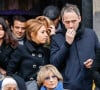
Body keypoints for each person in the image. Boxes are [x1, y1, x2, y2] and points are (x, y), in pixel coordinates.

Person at [50, 4, 100, 90]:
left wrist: (93, 63)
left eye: (73, 21)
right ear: (62, 20)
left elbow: (99, 57)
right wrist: (67, 44)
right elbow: (54, 64)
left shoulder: (90, 34)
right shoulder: (57, 38)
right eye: (67, 22)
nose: (71, 25)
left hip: (90, 85)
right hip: (67, 86)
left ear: (79, 18)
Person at [7, 18, 53, 90]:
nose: (46, 35)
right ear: (32, 34)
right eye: (43, 32)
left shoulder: (46, 51)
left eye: (46, 32)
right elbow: (10, 72)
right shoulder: (21, 49)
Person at [0, 17, 18, 82]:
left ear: (5, 30)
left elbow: (13, 64)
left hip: (10, 76)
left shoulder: (12, 44)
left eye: (1, 29)